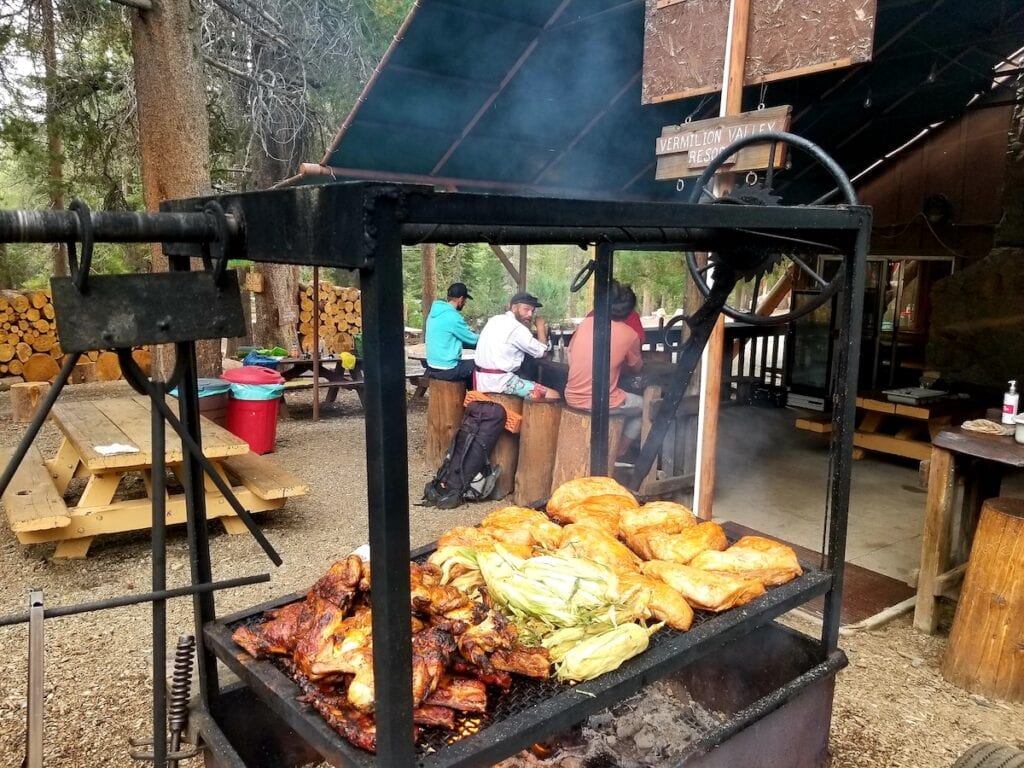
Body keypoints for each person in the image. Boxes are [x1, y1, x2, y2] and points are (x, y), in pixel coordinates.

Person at [564, 281, 643, 459]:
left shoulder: (587, 322)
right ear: (629, 311)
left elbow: (570, 353)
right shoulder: (631, 334)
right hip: (600, 401)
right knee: (646, 407)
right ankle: (620, 451)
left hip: (571, 396)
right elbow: (636, 367)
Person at [474, 291, 554, 399]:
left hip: (482, 380)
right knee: (552, 395)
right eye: (526, 309)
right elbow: (543, 352)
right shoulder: (517, 328)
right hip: (501, 382)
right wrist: (540, 326)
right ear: (514, 308)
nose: (530, 314)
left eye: (532, 311)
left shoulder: (495, 319)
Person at [424, 282, 478, 387]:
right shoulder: (453, 316)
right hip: (447, 368)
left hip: (431, 366)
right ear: (461, 299)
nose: (465, 303)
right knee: (478, 364)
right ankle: (474, 400)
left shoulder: (434, 313)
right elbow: (473, 340)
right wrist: (488, 337)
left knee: (466, 367)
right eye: (465, 300)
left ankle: (467, 398)